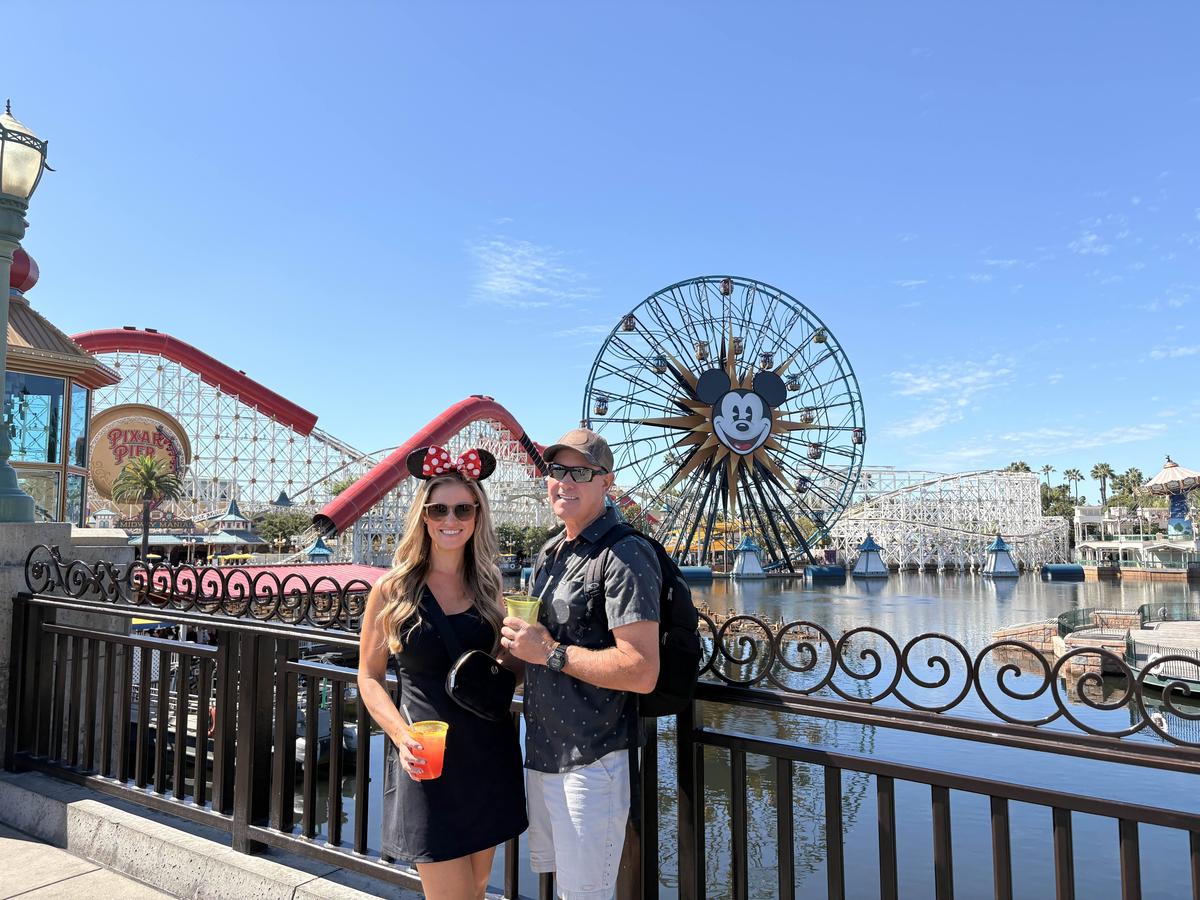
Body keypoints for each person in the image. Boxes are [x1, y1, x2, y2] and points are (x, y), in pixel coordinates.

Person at [359, 445, 526, 900]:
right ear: (424, 516)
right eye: (438, 509)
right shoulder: (392, 589)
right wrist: (400, 735)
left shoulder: (491, 584)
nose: (450, 519)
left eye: (462, 509)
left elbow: (505, 670)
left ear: (477, 515)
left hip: (488, 754)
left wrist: (529, 648)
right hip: (428, 760)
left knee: (475, 889)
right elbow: (369, 677)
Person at [501, 428, 661, 900]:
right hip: (544, 752)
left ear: (606, 483)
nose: (564, 482)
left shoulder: (626, 554)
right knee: (560, 887)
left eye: (580, 473)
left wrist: (548, 653)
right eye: (556, 470)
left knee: (585, 894)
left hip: (594, 760)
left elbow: (641, 669)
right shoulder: (551, 552)